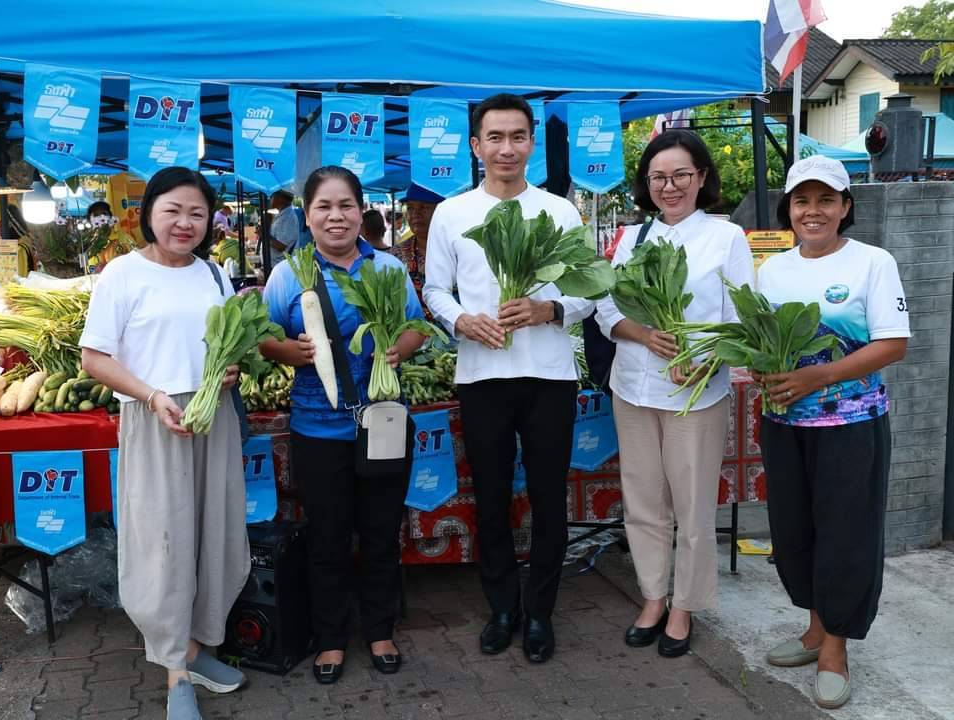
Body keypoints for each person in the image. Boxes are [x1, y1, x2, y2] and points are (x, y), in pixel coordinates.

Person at [423, 94, 593, 664]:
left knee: (548, 498)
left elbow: (590, 290)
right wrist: (459, 319)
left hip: (548, 376)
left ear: (531, 145)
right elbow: (434, 290)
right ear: (476, 146)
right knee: (491, 499)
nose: (507, 148)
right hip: (482, 375)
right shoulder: (452, 214)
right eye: (495, 138)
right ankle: (502, 607)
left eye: (518, 137)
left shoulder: (560, 212)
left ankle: (540, 611)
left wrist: (551, 310)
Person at [79, 167, 249, 720]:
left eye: (197, 213)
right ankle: (175, 669)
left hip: (211, 417)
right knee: (164, 544)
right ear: (149, 213)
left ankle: (198, 647)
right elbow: (95, 358)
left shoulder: (215, 276)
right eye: (173, 210)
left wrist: (229, 375)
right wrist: (153, 397)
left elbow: (229, 352)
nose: (184, 223)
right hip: (155, 419)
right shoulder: (121, 276)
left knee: (215, 536)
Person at [261, 166, 429, 685]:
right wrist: (290, 351)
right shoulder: (289, 274)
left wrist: (398, 348)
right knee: (328, 538)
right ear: (306, 217)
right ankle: (331, 638)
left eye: (346, 206)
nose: (336, 217)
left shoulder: (389, 269)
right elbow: (265, 337)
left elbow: (416, 326)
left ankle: (380, 630)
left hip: (381, 423)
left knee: (380, 532)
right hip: (317, 429)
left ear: (362, 211)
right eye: (323, 208)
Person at [756, 156, 909, 710]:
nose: (812, 211)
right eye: (802, 201)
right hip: (784, 424)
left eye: (825, 200)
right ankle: (815, 629)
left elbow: (893, 343)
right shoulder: (772, 272)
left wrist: (818, 375)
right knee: (795, 531)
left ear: (846, 207)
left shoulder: (873, 262)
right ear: (789, 210)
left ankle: (835, 648)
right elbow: (761, 343)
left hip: (850, 425)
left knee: (846, 534)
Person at [595, 129, 754, 658]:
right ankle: (652, 597)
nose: (670, 186)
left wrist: (706, 360)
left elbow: (742, 319)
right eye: (659, 177)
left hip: (695, 396)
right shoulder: (632, 239)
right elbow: (605, 310)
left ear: (702, 178)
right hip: (633, 387)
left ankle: (685, 606)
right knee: (642, 503)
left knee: (691, 507)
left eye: (681, 175)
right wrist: (642, 334)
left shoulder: (726, 239)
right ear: (646, 183)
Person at [388, 184, 444, 320]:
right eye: (410, 208)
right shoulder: (395, 255)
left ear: (441, 210)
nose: (415, 214)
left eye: (424, 207)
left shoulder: (457, 249)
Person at [268, 189, 311, 254]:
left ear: (280, 198)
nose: (270, 199)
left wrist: (265, 235)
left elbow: (281, 246)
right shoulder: (284, 215)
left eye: (272, 196)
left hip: (285, 261)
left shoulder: (289, 217)